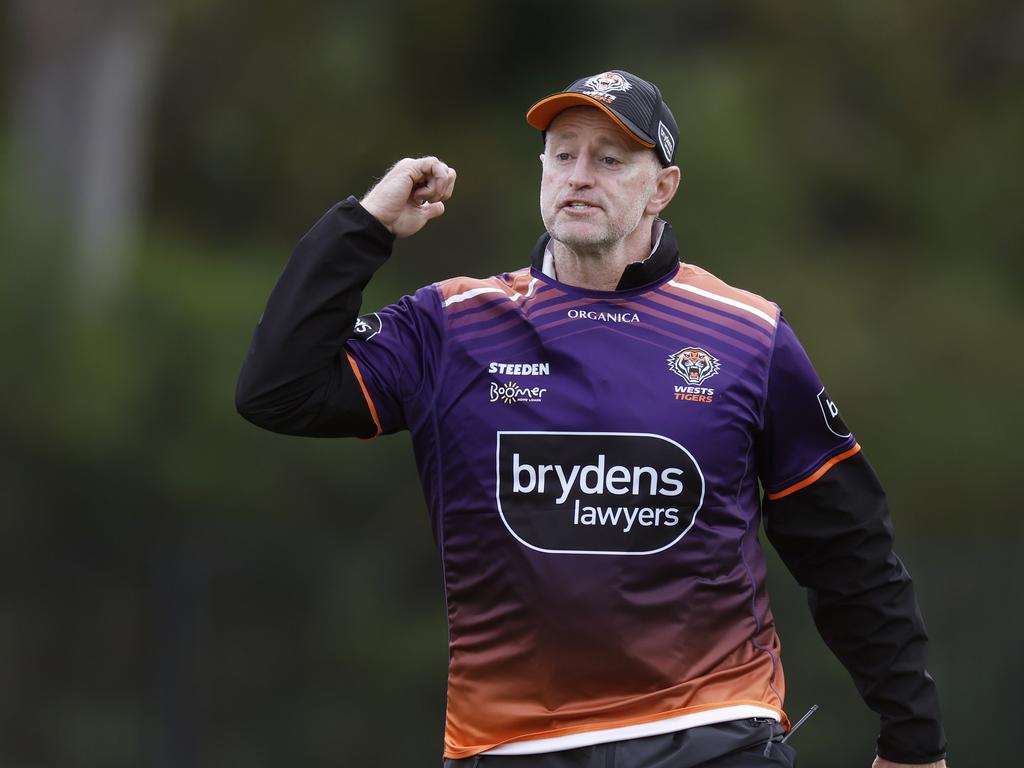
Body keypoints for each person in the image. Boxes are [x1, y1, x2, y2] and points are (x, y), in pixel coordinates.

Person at [235, 70, 947, 768]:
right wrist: (364, 226)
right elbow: (278, 389)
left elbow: (847, 547)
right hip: (512, 744)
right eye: (564, 153)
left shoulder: (746, 335)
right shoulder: (453, 325)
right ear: (541, 170)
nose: (580, 175)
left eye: (610, 159)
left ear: (661, 188)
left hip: (712, 734)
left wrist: (912, 739)